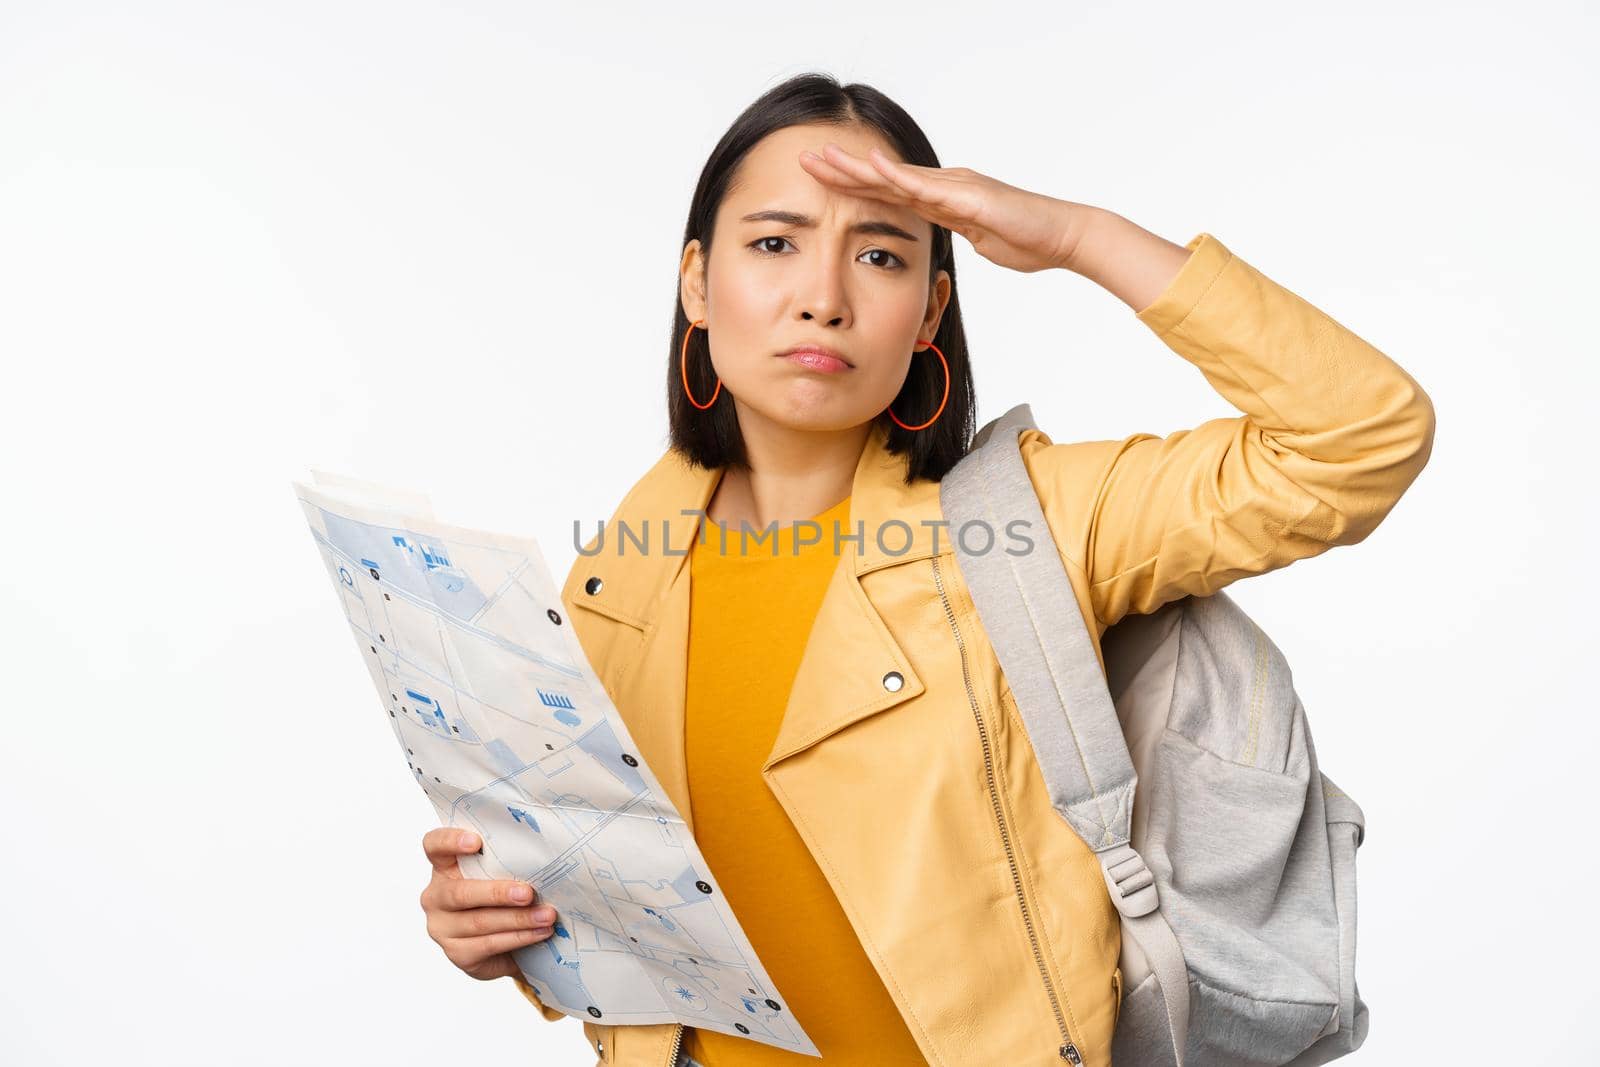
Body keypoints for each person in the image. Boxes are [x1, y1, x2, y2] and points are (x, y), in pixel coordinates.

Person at [415, 72, 1435, 1067]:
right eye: (774, 243)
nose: (822, 297)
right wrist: (501, 928)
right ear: (697, 282)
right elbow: (641, 924)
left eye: (882, 256)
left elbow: (1357, 438)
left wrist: (1083, 238)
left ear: (931, 308)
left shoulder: (1036, 525)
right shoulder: (615, 582)